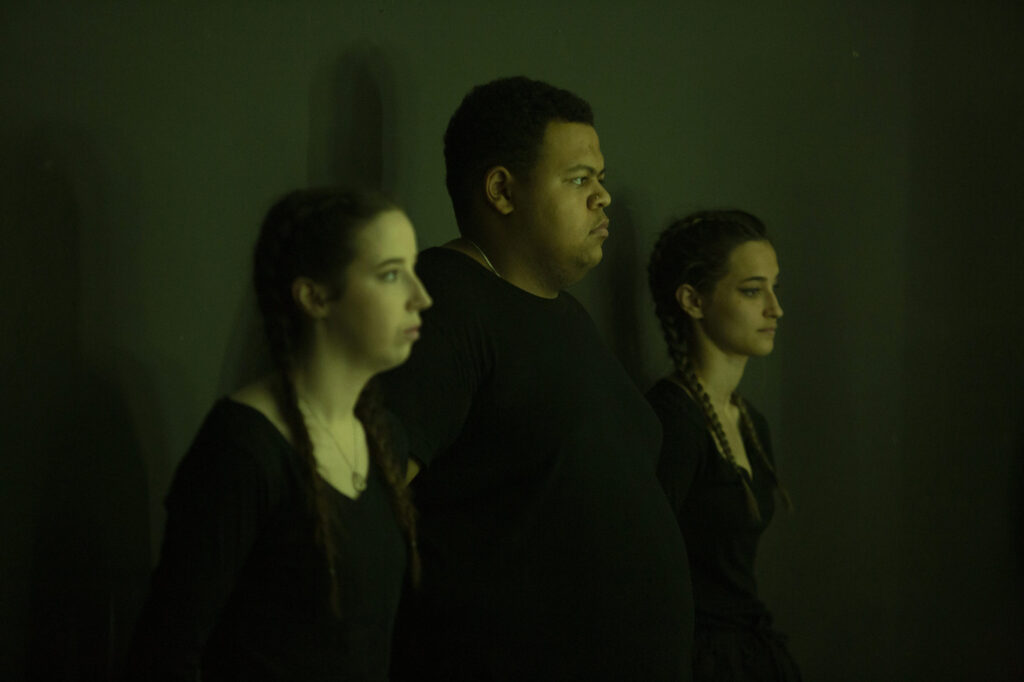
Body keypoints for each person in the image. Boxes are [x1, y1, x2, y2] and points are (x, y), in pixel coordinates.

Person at [381, 76, 693, 680]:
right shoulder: (443, 305)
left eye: (601, 178)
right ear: (502, 191)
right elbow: (362, 505)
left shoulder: (565, 314)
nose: (602, 196)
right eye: (579, 179)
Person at [122, 188, 432, 680]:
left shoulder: (383, 438)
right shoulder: (243, 448)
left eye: (413, 270)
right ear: (314, 296)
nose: (421, 297)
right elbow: (165, 652)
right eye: (391, 274)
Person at [645, 210, 801, 681]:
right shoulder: (673, 421)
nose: (775, 309)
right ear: (693, 300)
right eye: (752, 291)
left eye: (774, 288)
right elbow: (638, 569)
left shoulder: (750, 421)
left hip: (749, 652)